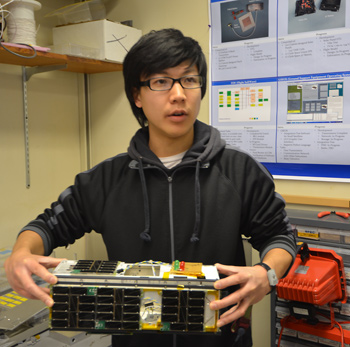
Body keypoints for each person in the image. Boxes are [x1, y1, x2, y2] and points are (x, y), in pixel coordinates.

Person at [5, 28, 296, 347]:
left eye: (189, 79)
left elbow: (279, 235)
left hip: (220, 337)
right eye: (160, 81)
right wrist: (20, 254)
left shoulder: (239, 170)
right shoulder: (106, 179)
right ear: (137, 95)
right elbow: (46, 226)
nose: (178, 94)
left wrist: (267, 273)